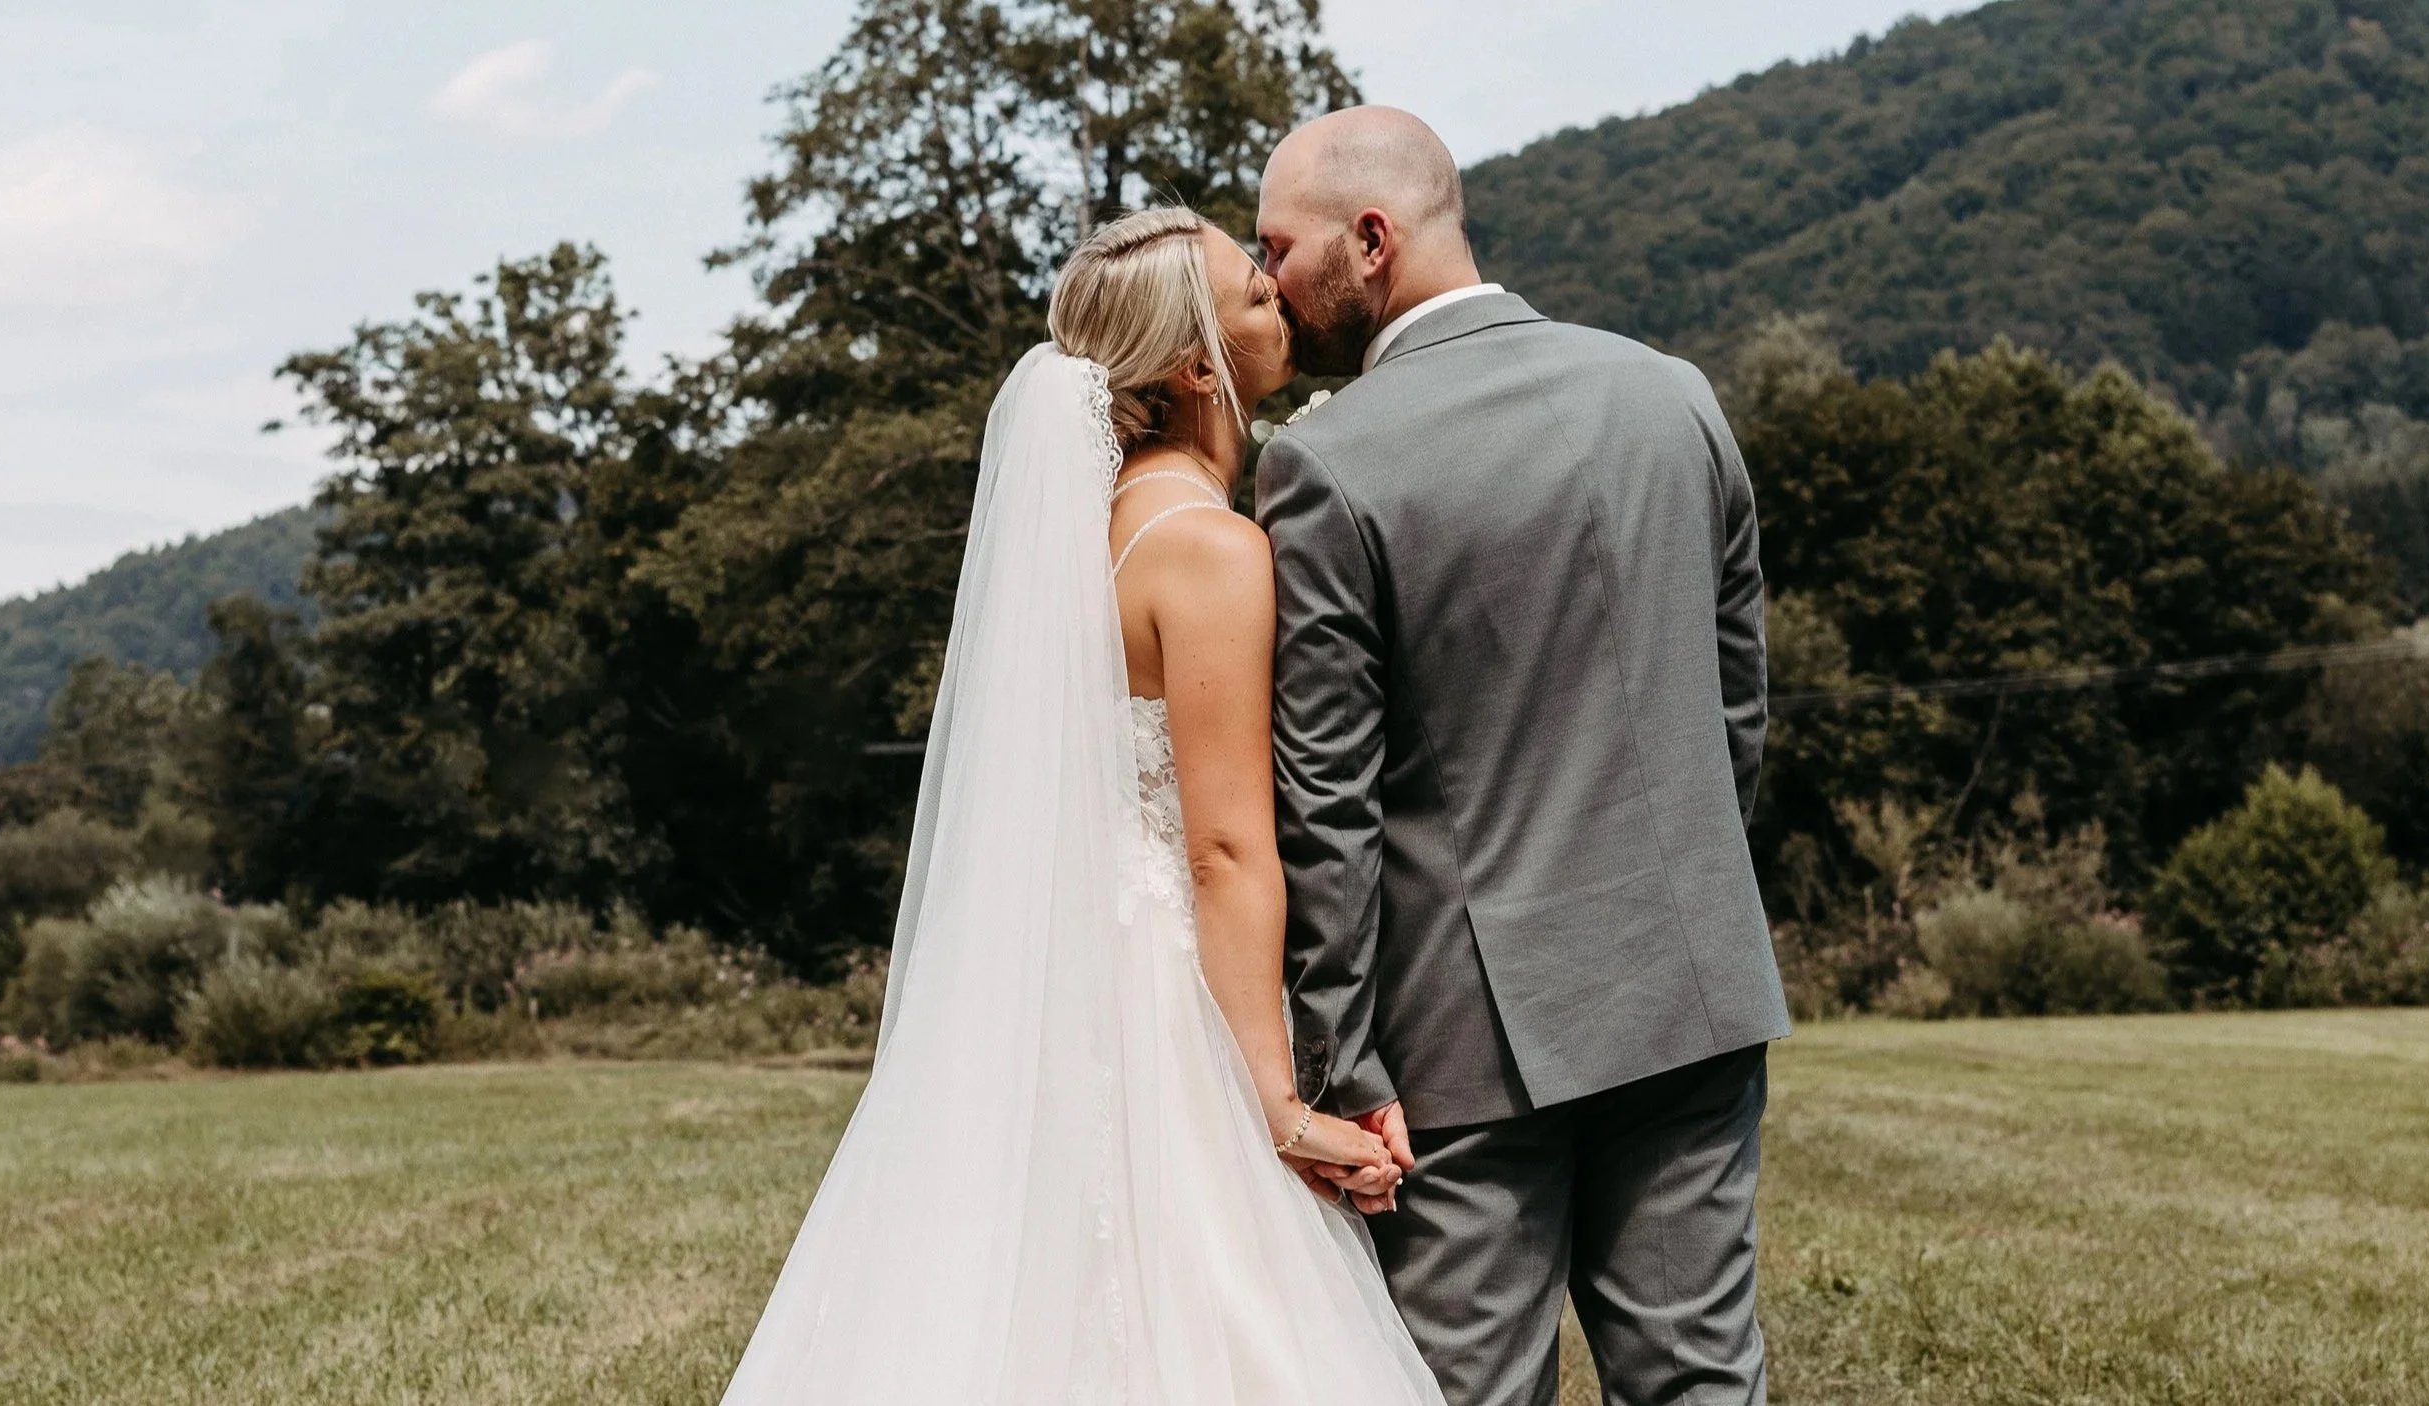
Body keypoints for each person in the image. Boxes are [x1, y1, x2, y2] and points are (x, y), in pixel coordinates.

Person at [714, 205, 1445, 1405]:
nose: (1277, 294)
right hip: (1168, 999)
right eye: (1252, 291)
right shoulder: (1208, 548)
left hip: (1060, 981)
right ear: (1198, 364)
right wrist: (1269, 1099)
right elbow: (1221, 849)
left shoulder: (1087, 540)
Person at [1253, 106, 1789, 1406]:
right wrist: (1685, 901)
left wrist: (1339, 1061)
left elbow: (1328, 804)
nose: (1268, 281)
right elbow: (1736, 714)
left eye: (1277, 248)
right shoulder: (1675, 395)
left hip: (1461, 1043)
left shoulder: (1324, 463)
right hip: (1691, 984)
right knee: (1700, 1380)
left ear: (1369, 240)